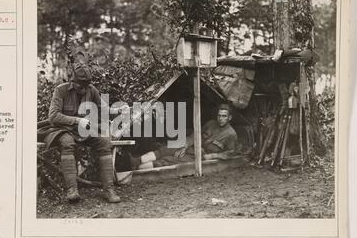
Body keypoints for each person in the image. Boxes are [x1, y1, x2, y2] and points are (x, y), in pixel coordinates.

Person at [44, 63, 125, 203]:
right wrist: (76, 120)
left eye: (86, 86)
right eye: (81, 86)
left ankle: (109, 190)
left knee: (104, 142)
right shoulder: (60, 90)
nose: (83, 89)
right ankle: (72, 190)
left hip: (84, 130)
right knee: (67, 143)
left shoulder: (91, 89)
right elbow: (53, 116)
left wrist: (117, 111)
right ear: (73, 82)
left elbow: (103, 109)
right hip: (64, 129)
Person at [130, 104, 238, 169]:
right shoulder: (211, 123)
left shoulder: (231, 134)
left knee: (168, 160)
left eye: (224, 116)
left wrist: (212, 156)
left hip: (200, 157)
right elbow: (196, 134)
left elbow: (230, 153)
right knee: (166, 149)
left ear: (230, 118)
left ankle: (135, 169)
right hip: (192, 148)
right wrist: (185, 145)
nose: (220, 118)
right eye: (219, 115)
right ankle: (136, 161)